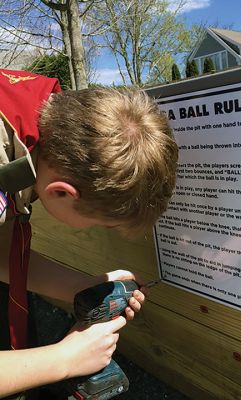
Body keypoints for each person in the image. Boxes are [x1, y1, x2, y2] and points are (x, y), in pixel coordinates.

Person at [0, 69, 178, 398]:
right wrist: (62, 359)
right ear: (61, 193)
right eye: (101, 224)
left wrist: (81, 287)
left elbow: (0, 251)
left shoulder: (41, 127)